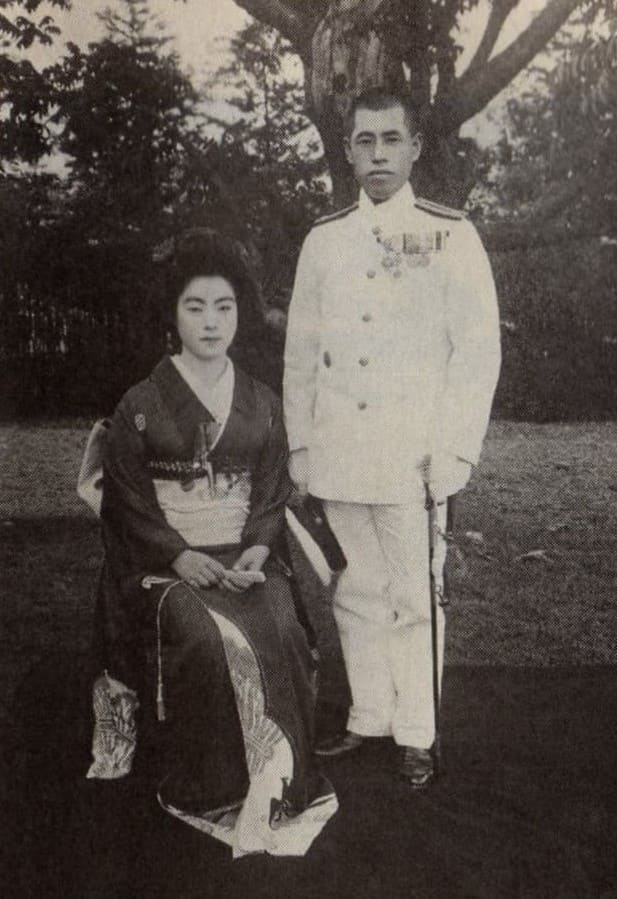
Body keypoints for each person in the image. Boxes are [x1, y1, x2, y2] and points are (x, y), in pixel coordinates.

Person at [283, 88, 501, 787]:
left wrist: (454, 450)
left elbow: (476, 355)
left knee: (414, 593)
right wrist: (300, 445)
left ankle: (417, 732)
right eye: (364, 141)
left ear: (414, 149)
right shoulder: (324, 240)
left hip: (412, 457)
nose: (377, 154)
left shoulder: (450, 234)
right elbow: (300, 352)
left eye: (390, 139)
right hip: (341, 449)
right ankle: (370, 713)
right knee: (355, 588)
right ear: (347, 151)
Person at [98, 228, 337, 856]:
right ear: (172, 315)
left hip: (247, 555)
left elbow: (272, 487)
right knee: (205, 639)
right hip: (166, 562)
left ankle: (283, 782)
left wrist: (259, 545)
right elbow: (125, 499)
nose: (210, 322)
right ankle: (210, 786)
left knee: (283, 629)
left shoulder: (261, 401)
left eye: (224, 307)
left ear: (240, 314)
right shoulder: (139, 405)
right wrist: (177, 554)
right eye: (195, 307)